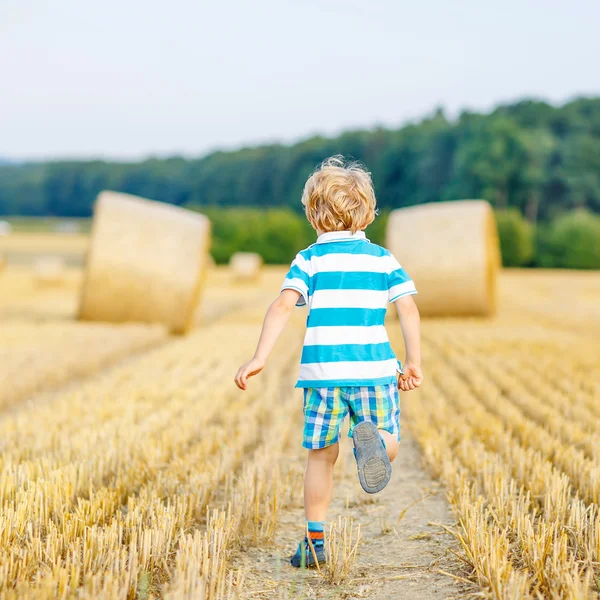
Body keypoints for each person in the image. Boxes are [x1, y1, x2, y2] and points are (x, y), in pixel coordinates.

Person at [234, 156, 423, 568]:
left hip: (322, 375)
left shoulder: (309, 260)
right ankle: (371, 442)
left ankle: (315, 543)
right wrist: (413, 361)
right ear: (368, 213)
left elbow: (282, 307)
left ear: (313, 216)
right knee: (387, 437)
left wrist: (259, 357)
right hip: (374, 371)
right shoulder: (382, 259)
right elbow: (408, 310)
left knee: (320, 454)